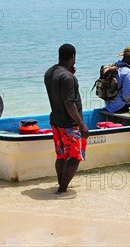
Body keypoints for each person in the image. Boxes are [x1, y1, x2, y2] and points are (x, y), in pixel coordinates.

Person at [44, 43, 90, 194]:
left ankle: (61, 184)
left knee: (61, 155)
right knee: (75, 157)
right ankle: (62, 189)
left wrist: (71, 74)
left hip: (56, 121)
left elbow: (59, 93)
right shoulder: (68, 77)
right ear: (73, 57)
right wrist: (81, 124)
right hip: (70, 124)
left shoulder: (50, 72)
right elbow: (69, 103)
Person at [104, 46, 130, 113]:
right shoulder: (127, 72)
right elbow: (127, 95)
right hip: (119, 106)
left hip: (109, 105)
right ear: (129, 57)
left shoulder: (114, 66)